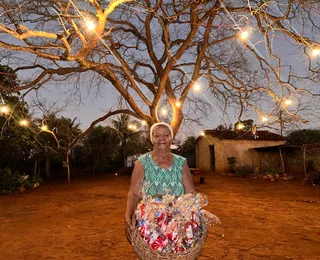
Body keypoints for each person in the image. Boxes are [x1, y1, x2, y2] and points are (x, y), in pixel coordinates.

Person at [125, 122, 196, 242]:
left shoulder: (181, 162)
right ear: (152, 139)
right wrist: (128, 214)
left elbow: (191, 193)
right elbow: (134, 193)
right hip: (150, 225)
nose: (161, 139)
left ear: (171, 138)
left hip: (177, 225)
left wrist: (194, 218)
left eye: (166, 135)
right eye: (157, 135)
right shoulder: (142, 162)